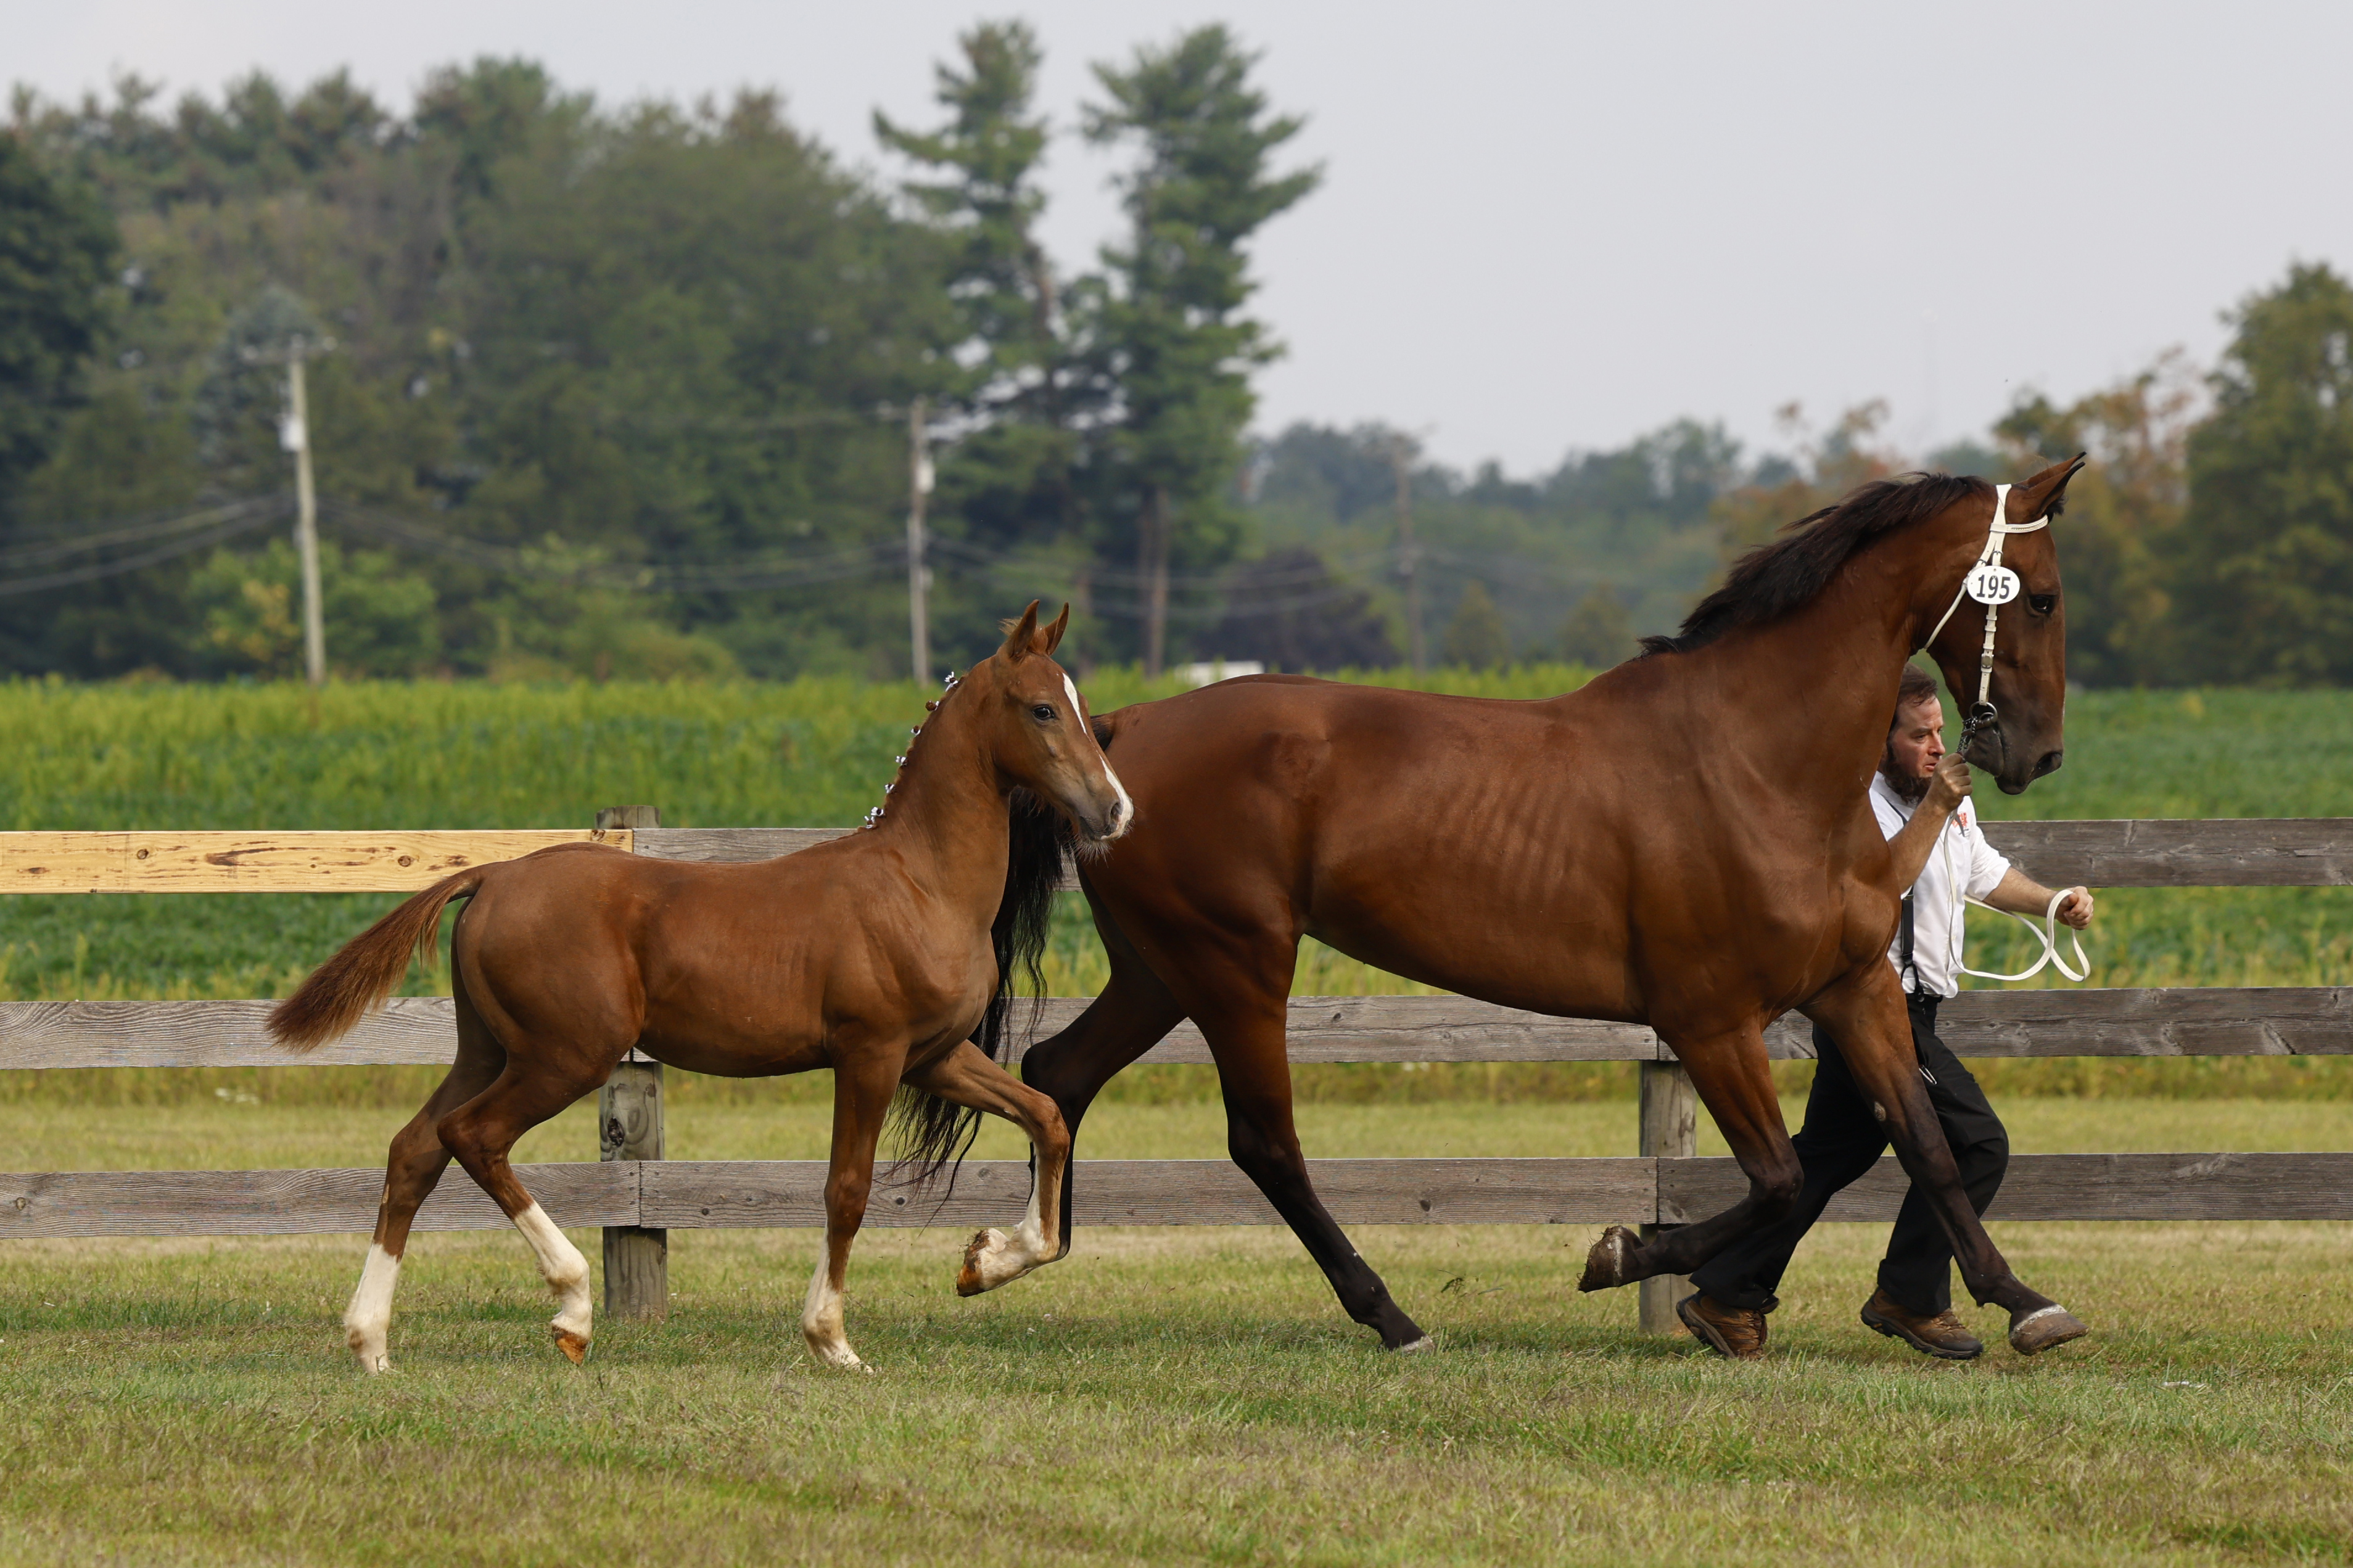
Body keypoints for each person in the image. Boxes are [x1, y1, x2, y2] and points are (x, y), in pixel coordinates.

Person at [1678, 664, 2096, 1361]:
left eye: (1938, 731)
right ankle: (1910, 1295)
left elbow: (1981, 871)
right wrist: (1934, 805)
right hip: (1871, 1007)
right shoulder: (1852, 806)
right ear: (1876, 740)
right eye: (1916, 735)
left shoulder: (1946, 796)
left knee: (1822, 1160)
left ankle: (1728, 1293)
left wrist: (2052, 900)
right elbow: (1877, 888)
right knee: (1976, 1143)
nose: (1936, 746)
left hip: (1917, 1009)